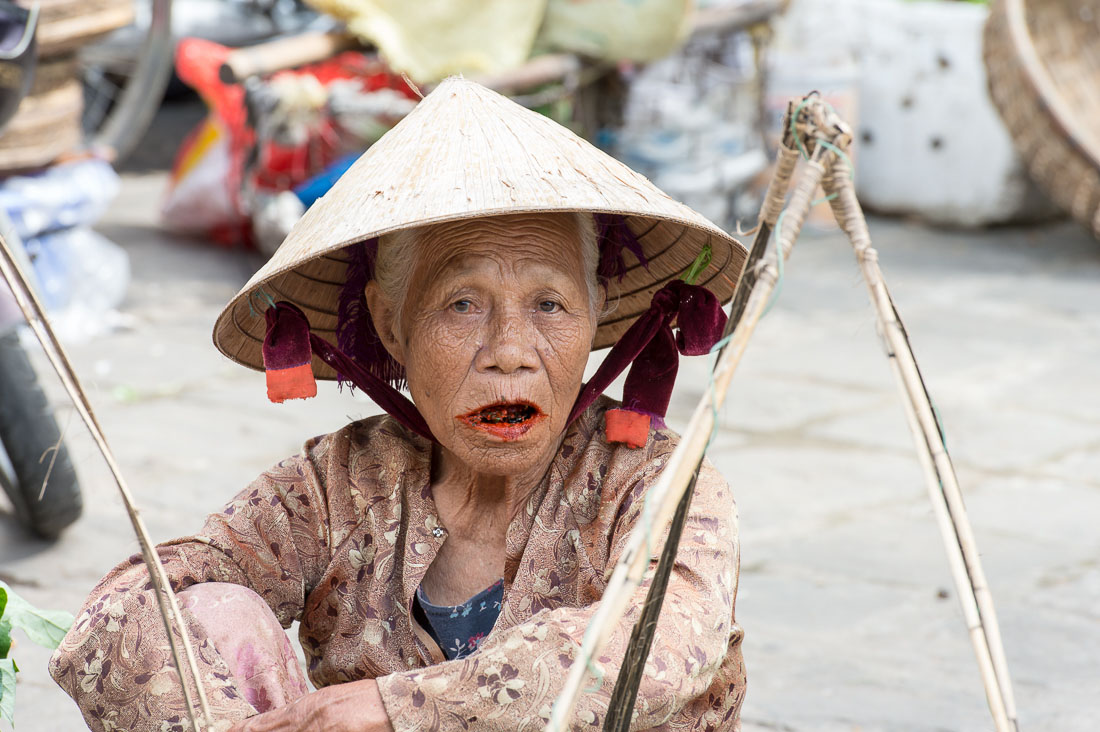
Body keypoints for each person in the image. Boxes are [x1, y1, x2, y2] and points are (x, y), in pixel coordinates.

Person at [49, 78, 749, 732]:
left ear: (596, 318)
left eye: (549, 303)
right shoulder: (339, 487)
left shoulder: (658, 486)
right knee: (204, 614)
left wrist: (396, 708)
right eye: (463, 304)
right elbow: (122, 613)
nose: (511, 349)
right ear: (391, 325)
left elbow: (661, 640)